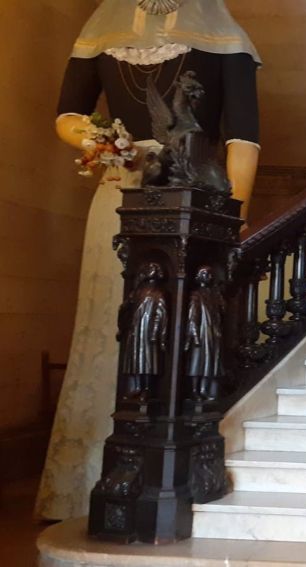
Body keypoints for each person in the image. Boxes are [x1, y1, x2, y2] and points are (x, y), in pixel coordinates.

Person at [39, 0, 261, 520]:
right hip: (118, 189)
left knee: (183, 325)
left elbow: (243, 138)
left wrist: (235, 215)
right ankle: (83, 477)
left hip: (193, 193)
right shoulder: (99, 32)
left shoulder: (227, 39)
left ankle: (173, 465)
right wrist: (104, 140)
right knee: (107, 321)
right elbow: (66, 115)